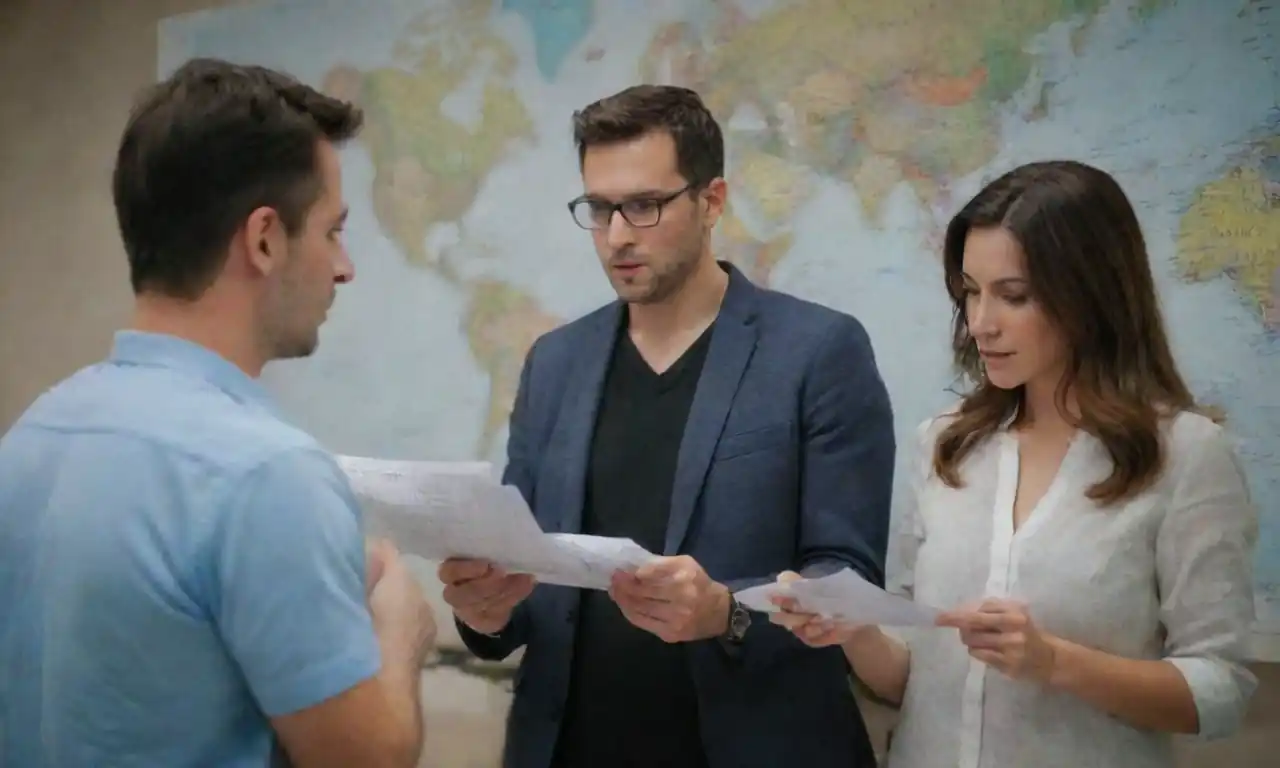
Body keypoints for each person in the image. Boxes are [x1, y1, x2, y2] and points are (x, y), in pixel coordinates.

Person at [436, 84, 897, 768]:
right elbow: (528, 570)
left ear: (711, 201)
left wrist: (727, 615)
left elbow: (845, 578)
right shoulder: (555, 363)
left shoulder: (817, 351)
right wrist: (487, 611)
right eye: (599, 209)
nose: (618, 235)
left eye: (645, 206)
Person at [0, 58, 437, 767]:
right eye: (333, 230)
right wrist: (400, 634)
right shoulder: (270, 476)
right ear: (264, 240)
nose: (344, 266)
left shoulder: (30, 437)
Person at [769, 159, 1259, 768]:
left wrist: (1054, 662)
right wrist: (855, 630)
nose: (981, 324)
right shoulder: (945, 446)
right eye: (970, 293)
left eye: (1014, 296)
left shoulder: (1185, 455)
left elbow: (1221, 692)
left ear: (1091, 294)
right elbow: (913, 681)